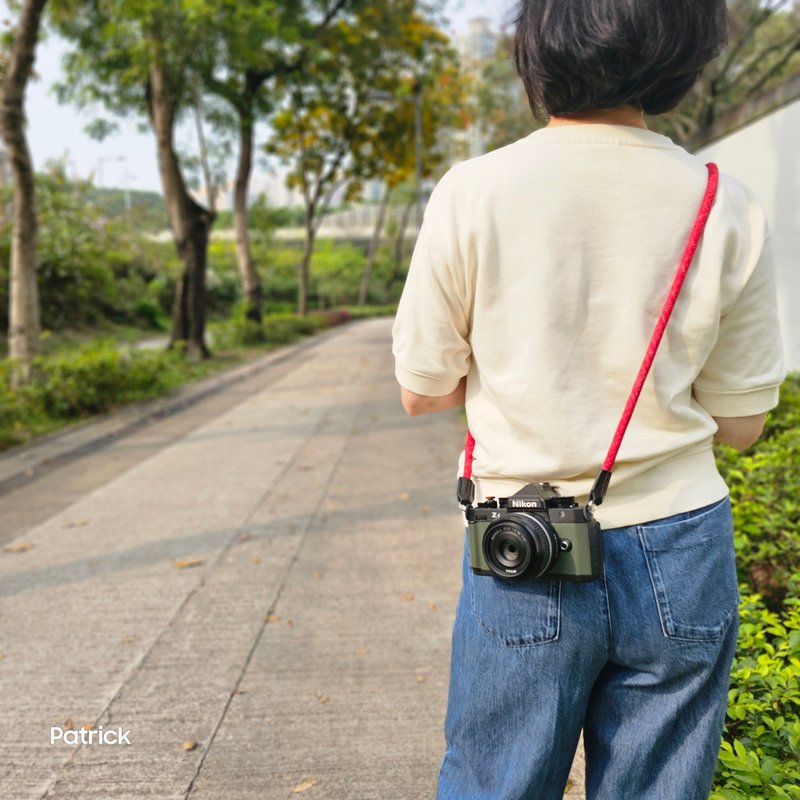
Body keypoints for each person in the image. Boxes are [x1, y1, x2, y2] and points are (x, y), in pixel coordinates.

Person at [391, 1, 786, 799]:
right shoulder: (722, 199)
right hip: (680, 545)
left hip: (523, 542)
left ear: (538, 52)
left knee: (495, 783)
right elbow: (744, 426)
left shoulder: (474, 190)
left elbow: (420, 392)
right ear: (684, 54)